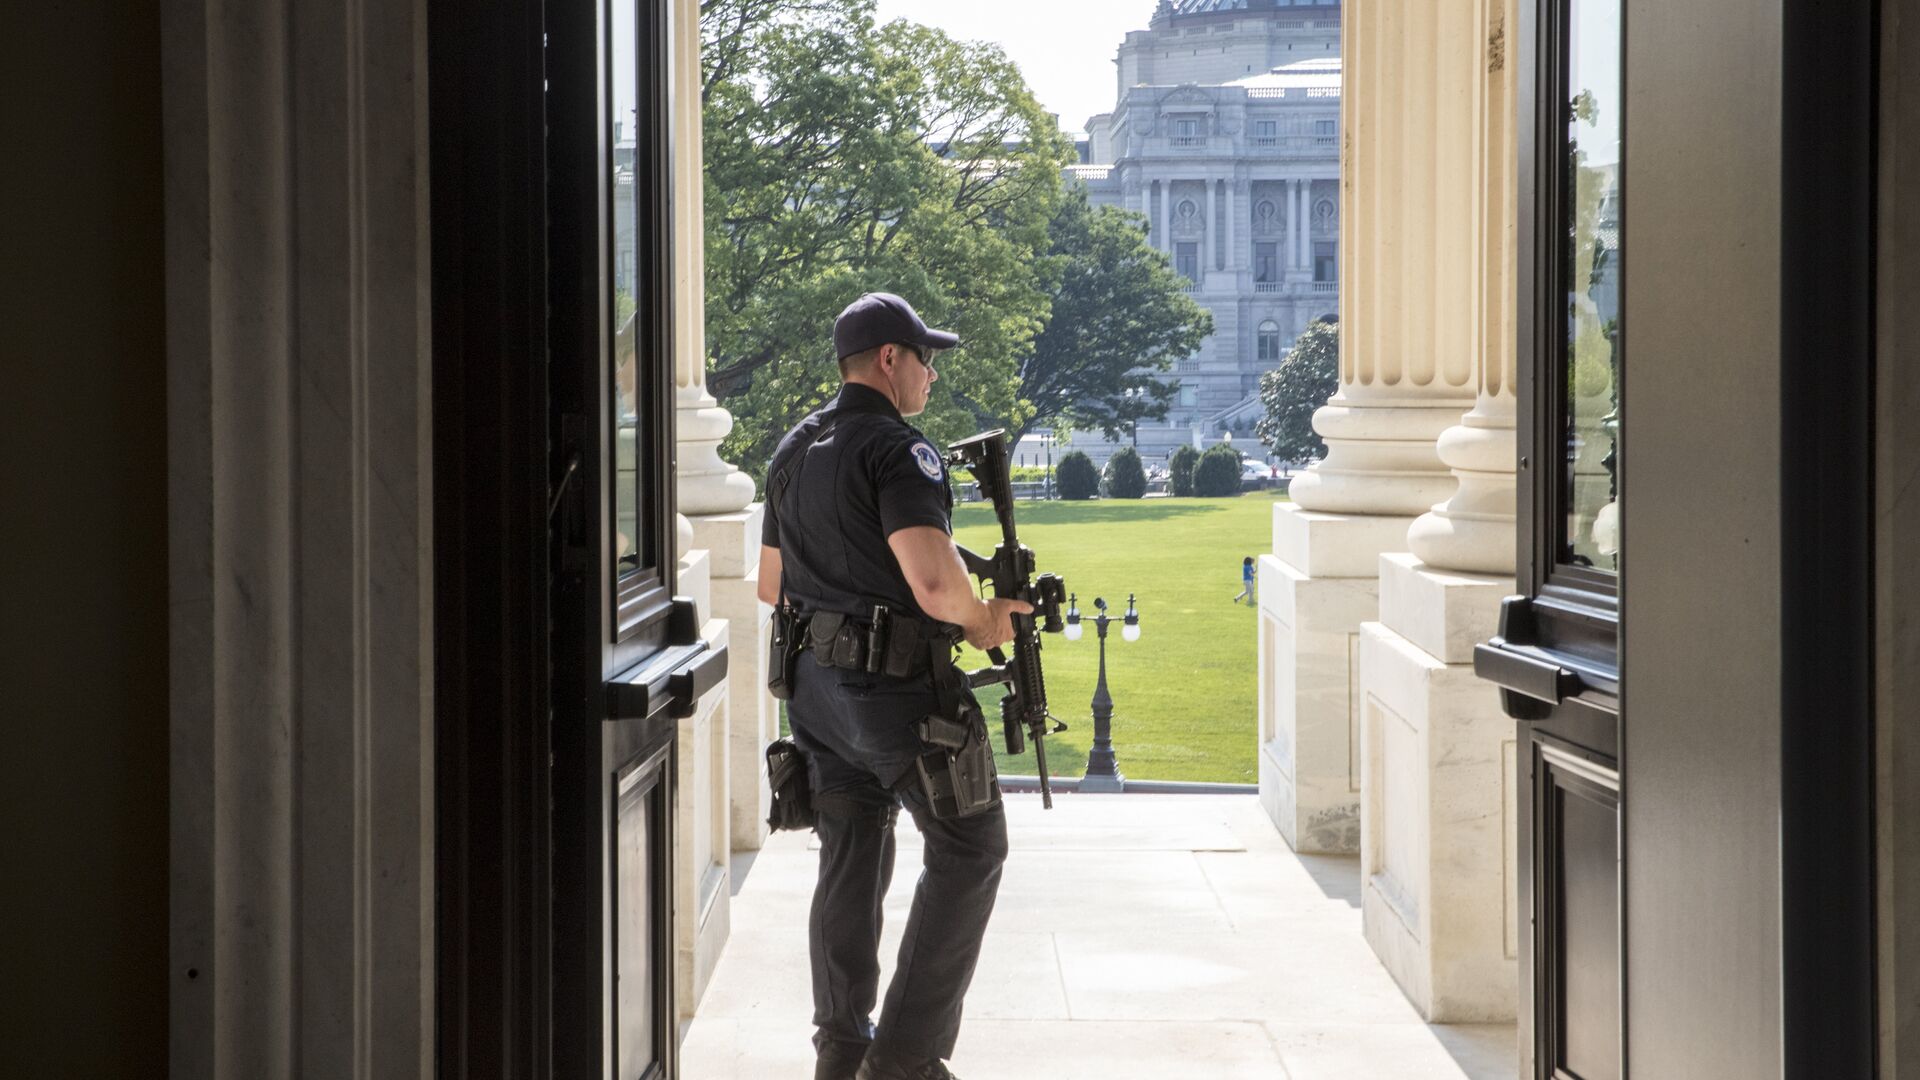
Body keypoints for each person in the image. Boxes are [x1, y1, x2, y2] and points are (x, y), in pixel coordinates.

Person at [756, 292, 1032, 1080]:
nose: (932, 376)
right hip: (895, 700)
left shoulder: (791, 448)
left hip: (815, 698)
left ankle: (841, 1052)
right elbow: (937, 587)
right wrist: (986, 620)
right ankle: (903, 1062)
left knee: (849, 854)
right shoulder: (898, 450)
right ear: (888, 360)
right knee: (971, 846)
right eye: (925, 359)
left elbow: (770, 584)